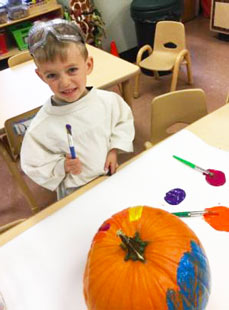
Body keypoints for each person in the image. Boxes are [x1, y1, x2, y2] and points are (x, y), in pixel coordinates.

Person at [20, 18, 135, 199]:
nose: (65, 83)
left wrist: (113, 149)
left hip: (108, 175)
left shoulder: (108, 101)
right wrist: (62, 166)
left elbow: (122, 122)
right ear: (41, 76)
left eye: (72, 70)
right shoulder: (41, 127)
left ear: (88, 65)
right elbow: (33, 163)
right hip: (75, 192)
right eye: (52, 75)